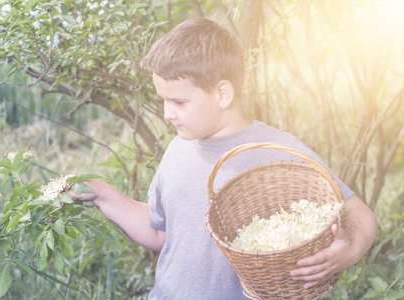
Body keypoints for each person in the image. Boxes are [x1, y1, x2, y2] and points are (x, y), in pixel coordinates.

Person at [68, 17, 377, 299]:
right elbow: (161, 233)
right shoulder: (177, 150)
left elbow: (360, 214)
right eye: (162, 100)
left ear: (223, 94)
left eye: (178, 101)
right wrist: (103, 195)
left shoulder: (278, 151)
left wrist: (349, 251)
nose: (166, 113)